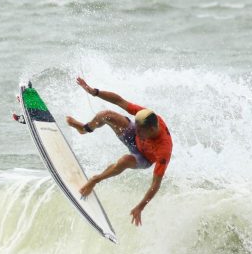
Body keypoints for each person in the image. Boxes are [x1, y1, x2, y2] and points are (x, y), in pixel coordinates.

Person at [66, 77, 173, 226]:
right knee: (106, 115)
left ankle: (95, 180)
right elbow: (119, 101)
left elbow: (155, 184)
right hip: (131, 140)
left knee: (124, 161)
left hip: (143, 158)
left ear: (153, 129)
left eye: (141, 132)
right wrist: (94, 92)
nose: (139, 133)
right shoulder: (144, 116)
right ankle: (84, 129)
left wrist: (140, 207)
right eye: (137, 129)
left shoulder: (164, 150)